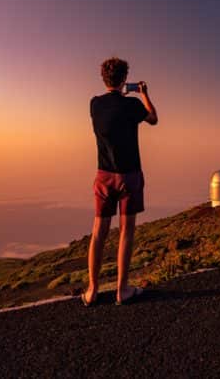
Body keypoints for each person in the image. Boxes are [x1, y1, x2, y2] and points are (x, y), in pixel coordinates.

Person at [82, 57, 158, 306]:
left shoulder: (94, 105)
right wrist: (144, 93)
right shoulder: (133, 105)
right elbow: (153, 118)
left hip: (103, 176)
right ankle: (122, 290)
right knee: (126, 232)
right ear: (125, 78)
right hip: (129, 176)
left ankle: (92, 290)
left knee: (98, 233)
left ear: (104, 78)